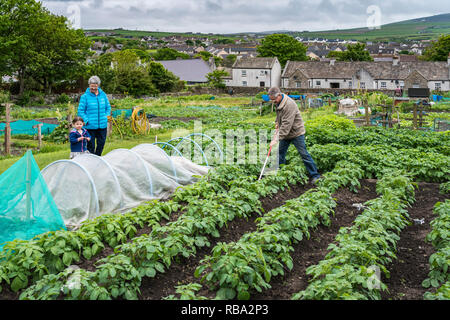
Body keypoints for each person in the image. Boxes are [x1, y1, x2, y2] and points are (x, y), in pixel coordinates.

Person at [268, 86, 321, 184]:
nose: (273, 102)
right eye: (272, 100)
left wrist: (276, 139)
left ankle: (315, 175)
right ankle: (280, 173)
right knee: (280, 153)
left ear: (279, 95)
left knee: (304, 154)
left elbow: (287, 125)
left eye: (274, 99)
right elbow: (279, 115)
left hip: (296, 133)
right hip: (286, 133)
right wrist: (277, 122)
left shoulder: (289, 104)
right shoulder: (279, 101)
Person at [77, 76, 111, 156]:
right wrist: (86, 120)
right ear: (89, 85)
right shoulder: (84, 97)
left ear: (98, 86)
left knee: (101, 144)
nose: (93, 89)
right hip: (90, 126)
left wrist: (106, 116)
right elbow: (81, 111)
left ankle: (98, 158)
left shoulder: (103, 95)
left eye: (95, 87)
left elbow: (108, 107)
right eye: (91, 87)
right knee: (90, 146)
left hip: (102, 125)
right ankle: (91, 160)